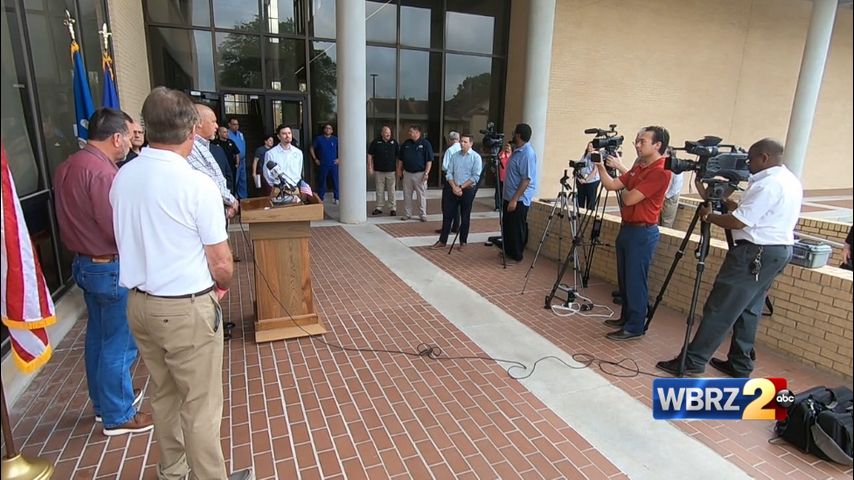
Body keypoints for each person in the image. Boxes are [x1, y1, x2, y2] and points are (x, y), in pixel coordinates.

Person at [110, 87, 252, 480]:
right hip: (184, 307)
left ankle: (173, 471)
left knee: (164, 393)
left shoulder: (123, 176)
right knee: (200, 404)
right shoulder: (195, 184)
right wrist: (219, 288)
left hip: (139, 304)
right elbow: (221, 263)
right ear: (191, 131)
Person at [656, 138, 802, 376]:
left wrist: (709, 217)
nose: (747, 164)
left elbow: (738, 222)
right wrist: (729, 203)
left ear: (764, 157)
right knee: (749, 309)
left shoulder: (769, 184)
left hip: (755, 253)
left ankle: (693, 361)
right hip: (775, 251)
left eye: (750, 159)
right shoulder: (787, 179)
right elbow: (760, 214)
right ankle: (740, 363)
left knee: (721, 308)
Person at [53, 107, 153, 436]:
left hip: (85, 263)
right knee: (120, 343)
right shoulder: (103, 173)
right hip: (109, 264)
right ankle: (118, 414)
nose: (132, 142)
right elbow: (115, 228)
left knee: (98, 337)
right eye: (130, 135)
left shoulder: (69, 165)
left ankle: (104, 402)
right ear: (116, 138)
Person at [596, 126, 672, 341]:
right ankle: (626, 318)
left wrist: (626, 181)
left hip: (642, 232)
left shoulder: (661, 171)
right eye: (636, 141)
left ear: (657, 145)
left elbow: (629, 198)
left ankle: (635, 325)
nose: (637, 145)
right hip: (628, 228)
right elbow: (612, 185)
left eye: (642, 141)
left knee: (636, 280)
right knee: (625, 279)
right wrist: (599, 165)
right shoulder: (640, 166)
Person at [431, 134, 482, 251]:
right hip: (453, 188)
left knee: (465, 216)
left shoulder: (476, 157)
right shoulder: (455, 156)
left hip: (467, 190)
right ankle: (442, 240)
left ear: (471, 143)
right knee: (447, 215)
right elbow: (449, 173)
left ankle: (463, 241)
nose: (462, 144)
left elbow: (475, 176)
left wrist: (461, 187)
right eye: (461, 141)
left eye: (465, 142)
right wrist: (454, 187)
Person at [190, 105, 239, 220]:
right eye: (213, 122)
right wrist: (232, 200)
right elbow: (210, 180)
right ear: (199, 123)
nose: (216, 126)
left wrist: (229, 199)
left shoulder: (207, 146)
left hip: (219, 209)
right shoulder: (190, 146)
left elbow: (221, 177)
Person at [502, 123, 539, 263]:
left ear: (518, 135)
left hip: (519, 199)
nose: (512, 134)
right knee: (508, 225)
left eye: (514, 132)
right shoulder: (517, 150)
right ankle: (508, 251)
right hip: (509, 196)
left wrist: (514, 199)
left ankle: (517, 255)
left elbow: (526, 179)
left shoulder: (527, 154)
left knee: (516, 228)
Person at [397, 124, 434, 222]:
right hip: (407, 174)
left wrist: (426, 173)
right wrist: (399, 170)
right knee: (407, 194)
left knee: (421, 195)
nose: (409, 133)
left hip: (420, 174)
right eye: (409, 131)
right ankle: (407, 213)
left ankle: (423, 214)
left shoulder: (425, 144)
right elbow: (401, 159)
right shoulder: (406, 143)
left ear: (417, 133)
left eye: (411, 131)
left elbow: (429, 161)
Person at [368, 125, 399, 216]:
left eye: (389, 132)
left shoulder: (394, 143)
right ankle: (379, 207)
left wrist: (399, 168)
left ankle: (392, 208)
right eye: (386, 132)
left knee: (391, 190)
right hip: (379, 171)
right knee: (379, 190)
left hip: (391, 171)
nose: (388, 134)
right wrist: (370, 167)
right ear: (382, 133)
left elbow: (398, 157)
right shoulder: (375, 142)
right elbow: (370, 155)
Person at [436, 131, 461, 234]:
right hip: (460, 181)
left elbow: (444, 167)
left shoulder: (450, 150)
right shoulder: (462, 149)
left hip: (450, 181)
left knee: (447, 205)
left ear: (450, 140)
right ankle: (456, 226)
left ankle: (446, 228)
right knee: (457, 205)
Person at [264, 124, 303, 189]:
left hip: (295, 187)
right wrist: (276, 185)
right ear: (279, 136)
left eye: (289, 133)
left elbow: (299, 171)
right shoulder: (270, 153)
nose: (287, 136)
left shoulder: (298, 152)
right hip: (278, 188)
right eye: (284, 134)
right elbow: (267, 174)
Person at [311, 123, 340, 204]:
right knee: (322, 181)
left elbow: (342, 149)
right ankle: (320, 198)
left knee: (335, 180)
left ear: (332, 131)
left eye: (330, 128)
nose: (328, 129)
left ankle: (336, 197)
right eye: (326, 128)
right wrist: (315, 159)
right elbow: (311, 148)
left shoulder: (335, 139)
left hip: (333, 163)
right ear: (324, 129)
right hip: (323, 163)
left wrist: (339, 159)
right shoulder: (319, 139)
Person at [213, 126, 241, 197]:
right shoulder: (215, 143)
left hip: (231, 166)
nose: (227, 134)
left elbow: (237, 153)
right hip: (220, 167)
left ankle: (232, 196)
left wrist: (237, 163)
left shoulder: (230, 142)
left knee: (232, 182)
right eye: (224, 132)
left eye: (227, 132)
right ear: (219, 133)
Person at [575, 142, 601, 210]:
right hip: (582, 180)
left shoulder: (596, 155)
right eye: (588, 146)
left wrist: (586, 180)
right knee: (580, 199)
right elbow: (580, 164)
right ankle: (580, 213)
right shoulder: (585, 154)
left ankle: (589, 213)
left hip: (592, 181)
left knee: (590, 201)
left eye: (591, 146)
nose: (589, 148)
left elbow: (595, 171)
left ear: (595, 148)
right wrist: (579, 177)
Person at [227, 117, 248, 199]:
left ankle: (243, 197)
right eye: (234, 124)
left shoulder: (240, 134)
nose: (236, 126)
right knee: (234, 179)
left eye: (237, 124)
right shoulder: (227, 134)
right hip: (234, 161)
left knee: (243, 180)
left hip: (242, 160)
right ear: (229, 125)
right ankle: (234, 197)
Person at [660, 163, 684, 227]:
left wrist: (665, 196)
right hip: (662, 193)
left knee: (666, 221)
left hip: (671, 195)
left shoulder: (677, 167)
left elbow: (676, 187)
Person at [494, 142, 511, 211]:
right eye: (506, 146)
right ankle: (498, 206)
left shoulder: (512, 155)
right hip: (500, 176)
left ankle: (503, 205)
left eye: (508, 146)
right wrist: (500, 158)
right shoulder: (501, 153)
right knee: (498, 191)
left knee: (505, 192)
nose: (507, 148)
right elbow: (496, 162)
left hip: (508, 177)